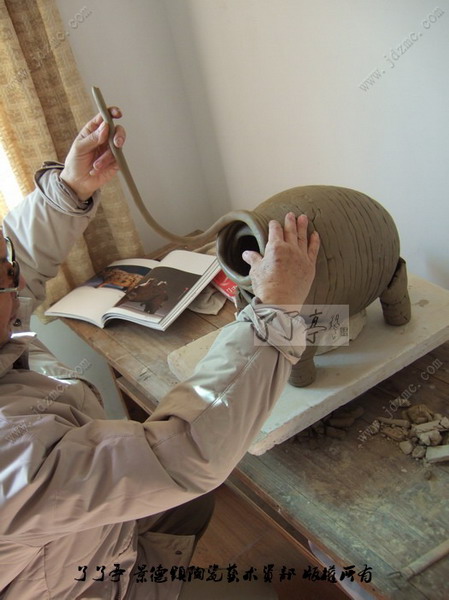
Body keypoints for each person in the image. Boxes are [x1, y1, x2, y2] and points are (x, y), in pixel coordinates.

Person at [0, 107, 320, 600]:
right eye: (6, 277)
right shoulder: (13, 461)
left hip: (79, 536)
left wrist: (68, 190)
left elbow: (15, 262)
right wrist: (275, 308)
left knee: (194, 504)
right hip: (88, 586)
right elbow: (183, 456)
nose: (17, 276)